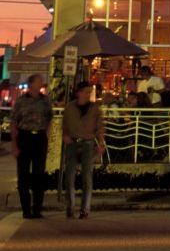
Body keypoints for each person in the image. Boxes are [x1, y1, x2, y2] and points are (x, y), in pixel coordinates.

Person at [10, 73, 53, 219]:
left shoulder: (45, 101)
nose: (42, 84)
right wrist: (14, 144)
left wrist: (45, 135)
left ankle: (37, 209)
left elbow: (49, 118)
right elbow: (14, 122)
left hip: (39, 137)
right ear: (32, 84)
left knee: (38, 174)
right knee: (23, 175)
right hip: (24, 137)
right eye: (39, 81)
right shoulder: (22, 101)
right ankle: (26, 209)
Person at [62, 81, 105, 219]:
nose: (88, 95)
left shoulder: (95, 108)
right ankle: (70, 207)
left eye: (89, 92)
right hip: (73, 143)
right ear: (78, 93)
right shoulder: (70, 107)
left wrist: (101, 144)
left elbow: (100, 128)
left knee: (87, 176)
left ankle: (85, 209)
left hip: (88, 143)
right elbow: (64, 125)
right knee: (69, 176)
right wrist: (65, 135)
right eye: (86, 92)